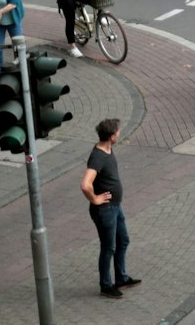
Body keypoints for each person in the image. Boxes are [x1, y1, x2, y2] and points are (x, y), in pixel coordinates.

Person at [81, 118, 139, 299]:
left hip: (115, 207)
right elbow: (85, 184)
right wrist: (95, 199)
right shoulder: (98, 156)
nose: (119, 133)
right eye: (117, 132)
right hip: (105, 210)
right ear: (112, 137)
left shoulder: (107, 148)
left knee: (123, 241)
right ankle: (106, 286)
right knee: (108, 247)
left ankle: (121, 278)